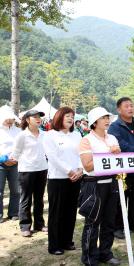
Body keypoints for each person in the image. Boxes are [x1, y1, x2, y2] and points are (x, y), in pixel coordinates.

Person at [77, 107, 121, 266]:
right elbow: (88, 166)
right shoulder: (86, 140)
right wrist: (109, 154)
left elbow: (117, 161)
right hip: (94, 184)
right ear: (94, 122)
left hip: (112, 182)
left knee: (109, 220)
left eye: (108, 117)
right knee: (93, 221)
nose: (107, 120)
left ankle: (106, 253)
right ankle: (90, 257)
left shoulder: (113, 138)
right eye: (103, 118)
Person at [108, 97, 134, 239]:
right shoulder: (115, 126)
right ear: (119, 110)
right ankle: (118, 226)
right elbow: (119, 143)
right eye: (126, 106)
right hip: (124, 168)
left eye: (131, 105)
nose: (130, 108)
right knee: (121, 198)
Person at [43, 107, 83, 255]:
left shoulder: (76, 134)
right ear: (59, 117)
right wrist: (69, 171)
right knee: (56, 212)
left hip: (75, 178)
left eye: (72, 116)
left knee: (71, 211)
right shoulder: (50, 135)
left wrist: (79, 170)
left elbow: (80, 153)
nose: (71, 118)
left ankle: (67, 241)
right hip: (57, 178)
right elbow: (52, 157)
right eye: (67, 116)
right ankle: (54, 245)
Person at [11, 110, 48, 237]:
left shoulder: (44, 134)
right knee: (26, 198)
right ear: (27, 120)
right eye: (35, 117)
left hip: (42, 169)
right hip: (26, 170)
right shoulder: (22, 136)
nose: (38, 119)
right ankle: (25, 225)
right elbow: (15, 154)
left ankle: (39, 223)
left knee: (39, 198)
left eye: (39, 117)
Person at [0, 106, 21, 223]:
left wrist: (16, 158)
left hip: (15, 163)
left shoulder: (17, 130)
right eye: (7, 118)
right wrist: (2, 158)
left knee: (16, 189)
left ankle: (14, 212)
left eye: (11, 118)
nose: (9, 120)